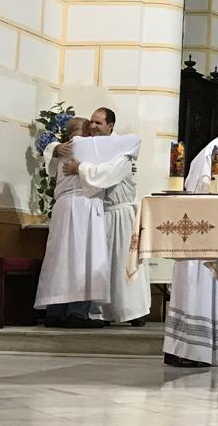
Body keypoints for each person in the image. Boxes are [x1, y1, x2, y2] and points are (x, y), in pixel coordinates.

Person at [58, 108, 150, 326]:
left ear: (110, 126)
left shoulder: (121, 149)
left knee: (122, 263)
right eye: (91, 122)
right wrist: (56, 149)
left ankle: (132, 311)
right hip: (100, 212)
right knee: (101, 265)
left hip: (120, 213)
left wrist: (81, 168)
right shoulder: (90, 147)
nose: (93, 126)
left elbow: (110, 172)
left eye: (98, 123)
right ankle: (102, 312)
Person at [163, 126, 218, 368]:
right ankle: (196, 352)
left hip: (196, 226)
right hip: (211, 230)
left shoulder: (207, 149)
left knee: (187, 290)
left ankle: (176, 349)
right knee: (200, 291)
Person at [36, 118, 109, 328]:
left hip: (62, 206)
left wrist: (55, 146)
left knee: (60, 259)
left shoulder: (61, 150)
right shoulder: (89, 146)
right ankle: (77, 313)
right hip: (83, 205)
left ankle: (55, 312)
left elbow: (49, 162)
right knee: (83, 260)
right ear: (86, 130)